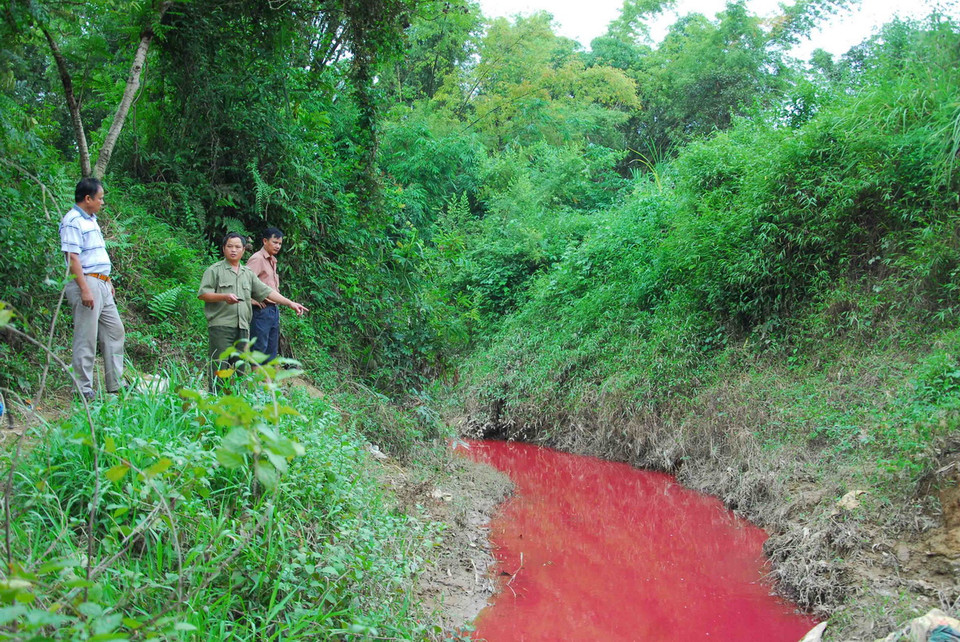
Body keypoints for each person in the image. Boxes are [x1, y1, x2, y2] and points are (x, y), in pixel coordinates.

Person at [197, 233, 308, 385]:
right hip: (221, 326)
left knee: (239, 368)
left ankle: (235, 402)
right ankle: (214, 401)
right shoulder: (214, 270)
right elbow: (203, 294)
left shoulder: (247, 274)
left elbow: (267, 291)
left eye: (238, 247)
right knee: (219, 365)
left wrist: (290, 303)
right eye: (230, 246)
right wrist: (224, 297)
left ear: (243, 250)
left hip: (242, 327)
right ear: (223, 249)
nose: (233, 250)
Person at [60, 177, 125, 401]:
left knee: (115, 331)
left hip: (102, 283)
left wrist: (107, 281)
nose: (102, 203)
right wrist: (85, 289)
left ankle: (116, 384)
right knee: (86, 336)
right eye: (100, 198)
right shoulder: (72, 221)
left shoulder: (91, 220)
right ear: (87, 198)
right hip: (86, 283)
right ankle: (82, 388)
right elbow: (72, 258)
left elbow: (95, 255)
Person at [247, 226, 298, 363]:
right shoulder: (257, 259)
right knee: (259, 350)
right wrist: (251, 300)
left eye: (280, 243)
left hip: (273, 310)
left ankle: (266, 383)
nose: (278, 246)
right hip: (261, 311)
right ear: (265, 241)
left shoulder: (272, 260)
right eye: (275, 242)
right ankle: (256, 382)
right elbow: (244, 282)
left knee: (271, 351)